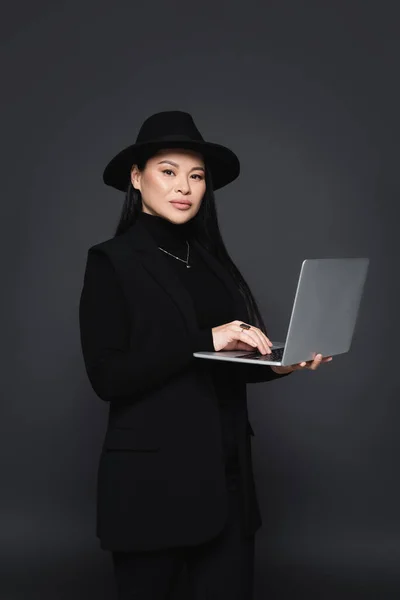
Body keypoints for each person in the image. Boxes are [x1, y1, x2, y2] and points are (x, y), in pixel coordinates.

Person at [79, 111, 332, 599]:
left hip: (228, 482)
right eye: (168, 171)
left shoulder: (211, 261)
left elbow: (222, 362)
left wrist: (279, 364)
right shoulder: (111, 260)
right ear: (137, 178)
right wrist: (204, 338)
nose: (184, 187)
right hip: (151, 489)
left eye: (196, 176)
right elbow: (107, 376)